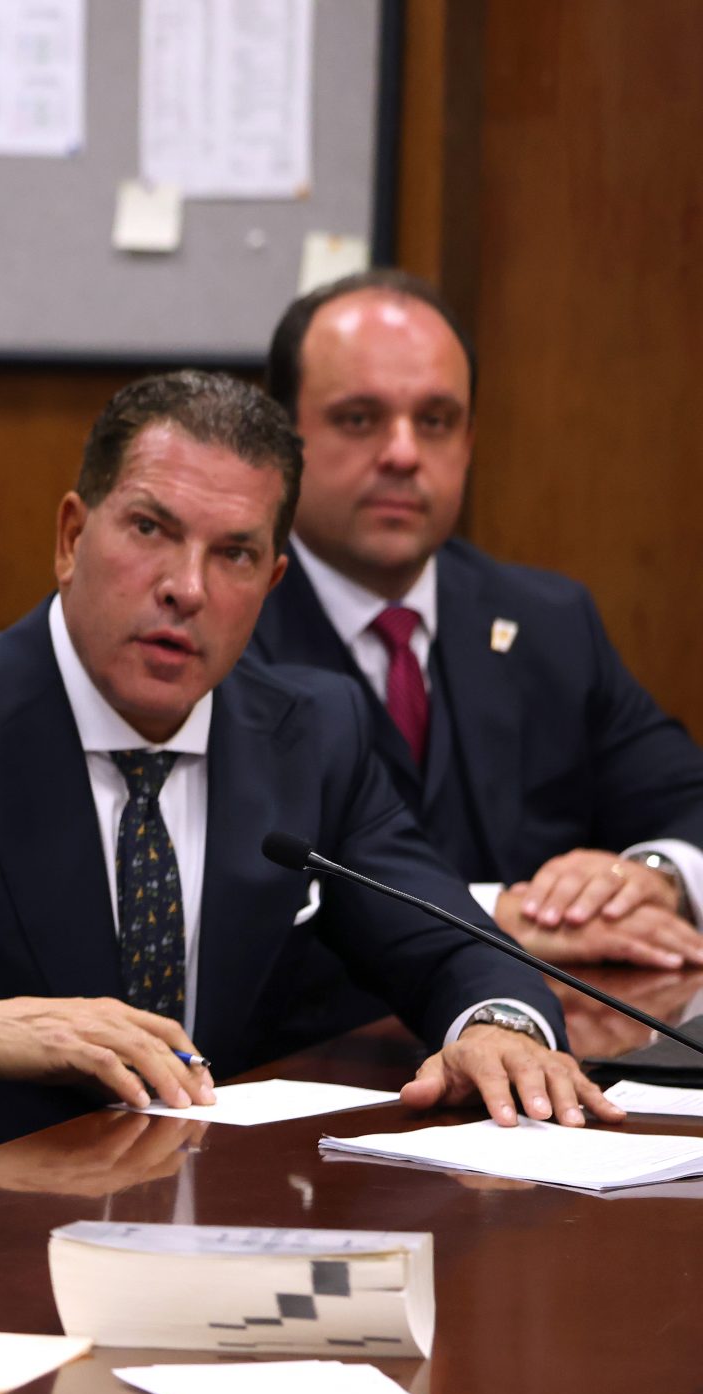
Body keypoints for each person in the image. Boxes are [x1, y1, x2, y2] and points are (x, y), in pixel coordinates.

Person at [0, 370, 618, 1213]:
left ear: (269, 584)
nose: (185, 589)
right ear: (72, 538)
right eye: (151, 530)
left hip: (201, 1241)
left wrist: (501, 1027)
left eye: (232, 555)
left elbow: (450, 943)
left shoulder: (312, 733)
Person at [251, 269, 703, 970]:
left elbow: (687, 802)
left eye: (435, 421)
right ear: (281, 438)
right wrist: (492, 920)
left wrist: (648, 877)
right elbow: (242, 909)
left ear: (467, 440)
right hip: (321, 1063)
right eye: (359, 418)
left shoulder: (548, 622)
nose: (403, 454)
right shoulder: (218, 630)